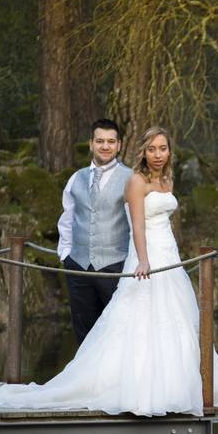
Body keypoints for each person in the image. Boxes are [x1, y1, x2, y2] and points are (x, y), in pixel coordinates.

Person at [0, 126, 218, 417]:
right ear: (142, 152)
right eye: (152, 149)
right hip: (147, 255)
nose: (158, 154)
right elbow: (137, 226)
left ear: (170, 151)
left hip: (168, 255)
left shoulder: (167, 179)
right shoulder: (136, 181)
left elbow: (164, 222)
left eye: (163, 148)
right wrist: (143, 260)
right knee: (137, 319)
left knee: (175, 319)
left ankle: (176, 388)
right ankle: (131, 388)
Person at [57, 119, 133, 343]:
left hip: (115, 267)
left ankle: (115, 379)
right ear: (91, 144)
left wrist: (130, 262)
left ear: (119, 145)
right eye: (100, 141)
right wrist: (66, 254)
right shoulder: (76, 178)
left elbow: (136, 224)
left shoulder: (131, 179)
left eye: (111, 141)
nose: (105, 146)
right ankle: (87, 379)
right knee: (84, 332)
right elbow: (67, 219)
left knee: (117, 331)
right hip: (78, 267)